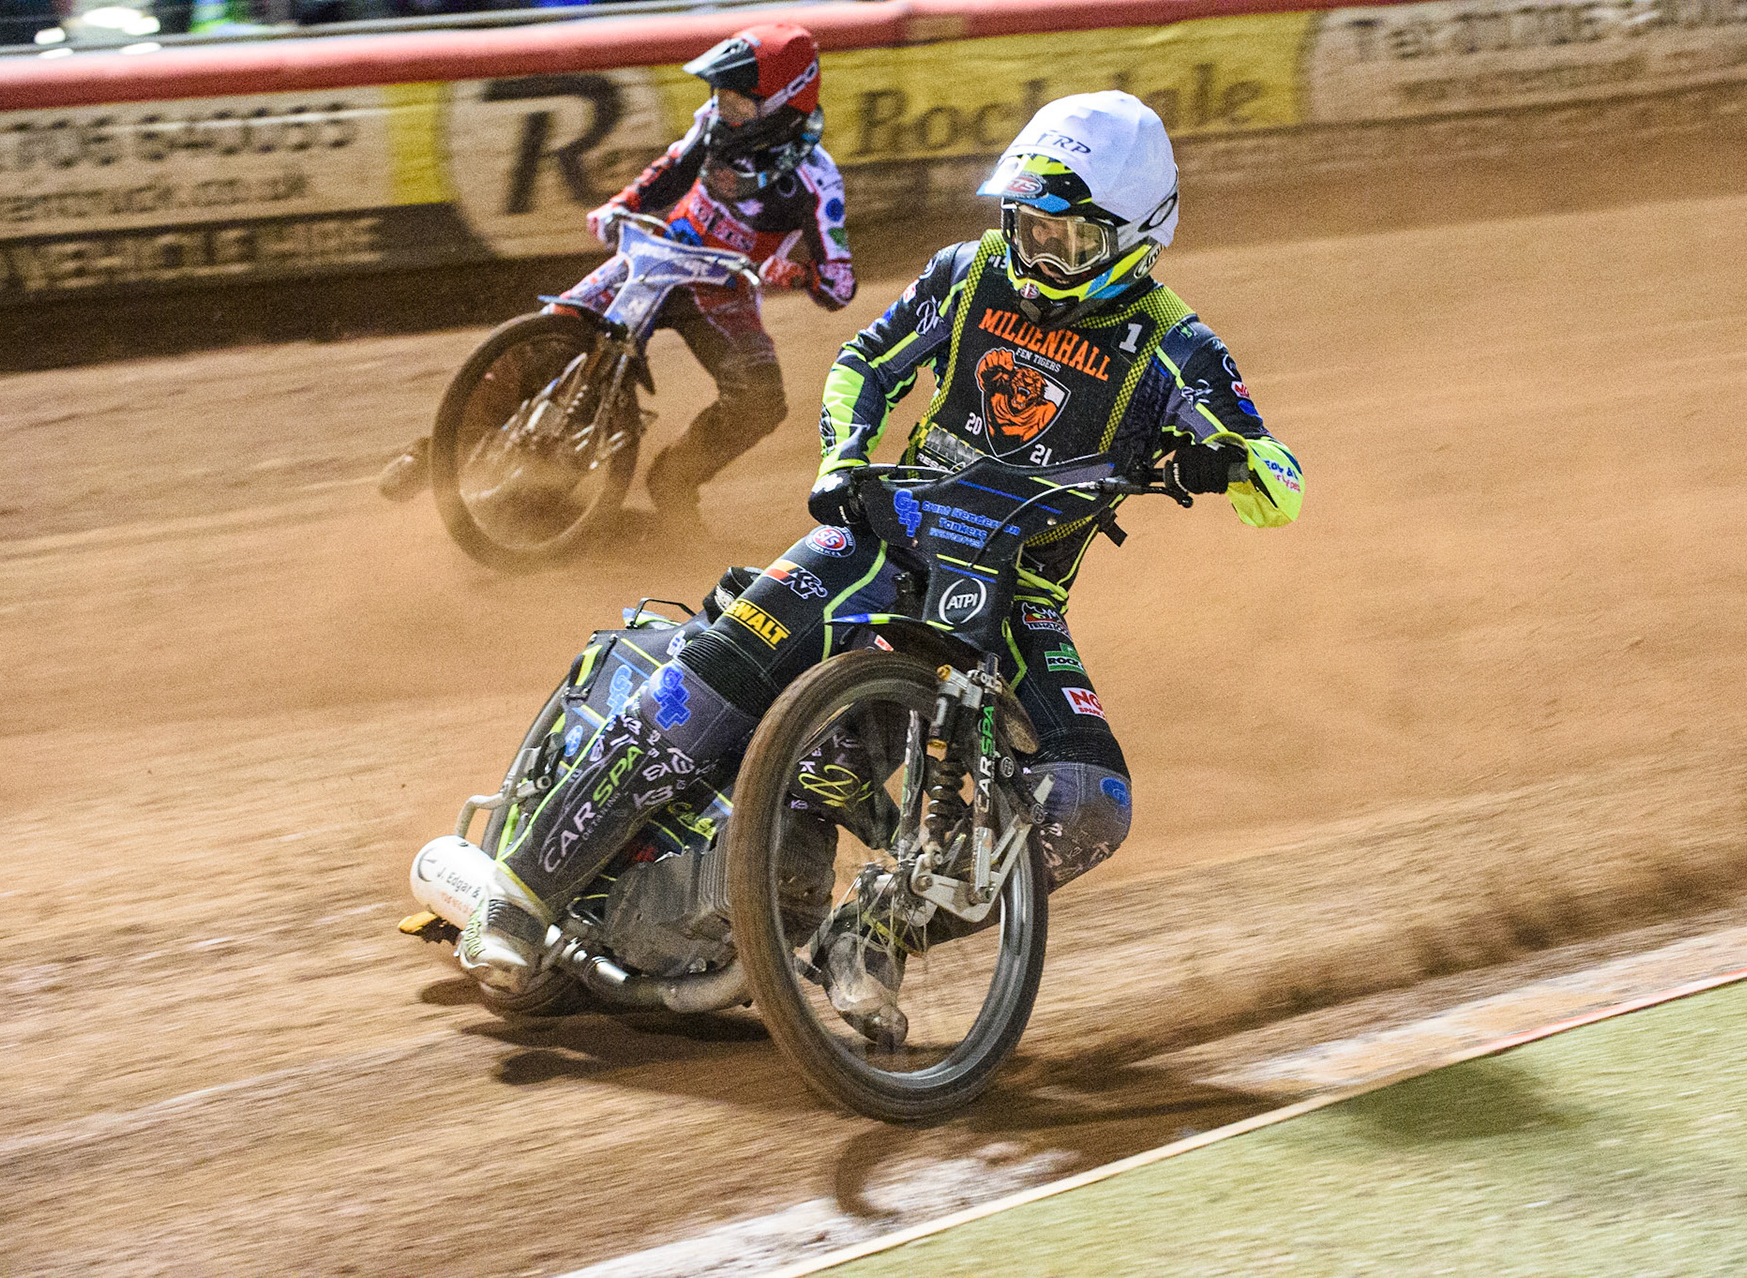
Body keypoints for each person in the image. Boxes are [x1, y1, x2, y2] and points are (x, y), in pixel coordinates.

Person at [456, 91, 1303, 1037]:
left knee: (1088, 802)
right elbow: (865, 360)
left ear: (1139, 237)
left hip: (1018, 594)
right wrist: (842, 461)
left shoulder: (1176, 344)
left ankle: (871, 936)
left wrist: (1241, 464)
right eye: (1028, 227)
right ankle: (519, 895)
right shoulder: (966, 273)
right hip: (882, 529)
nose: (1039, 257)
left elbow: (1277, 475)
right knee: (703, 688)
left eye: (1071, 242)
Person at [379, 22, 856, 525]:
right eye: (721, 94)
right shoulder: (714, 122)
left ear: (783, 104)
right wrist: (621, 205)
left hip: (720, 289)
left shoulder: (817, 180)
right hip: (659, 255)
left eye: (738, 100)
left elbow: (840, 284)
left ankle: (674, 478)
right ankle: (435, 452)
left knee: (761, 401)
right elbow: (673, 166)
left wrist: (797, 275)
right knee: (550, 332)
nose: (723, 107)